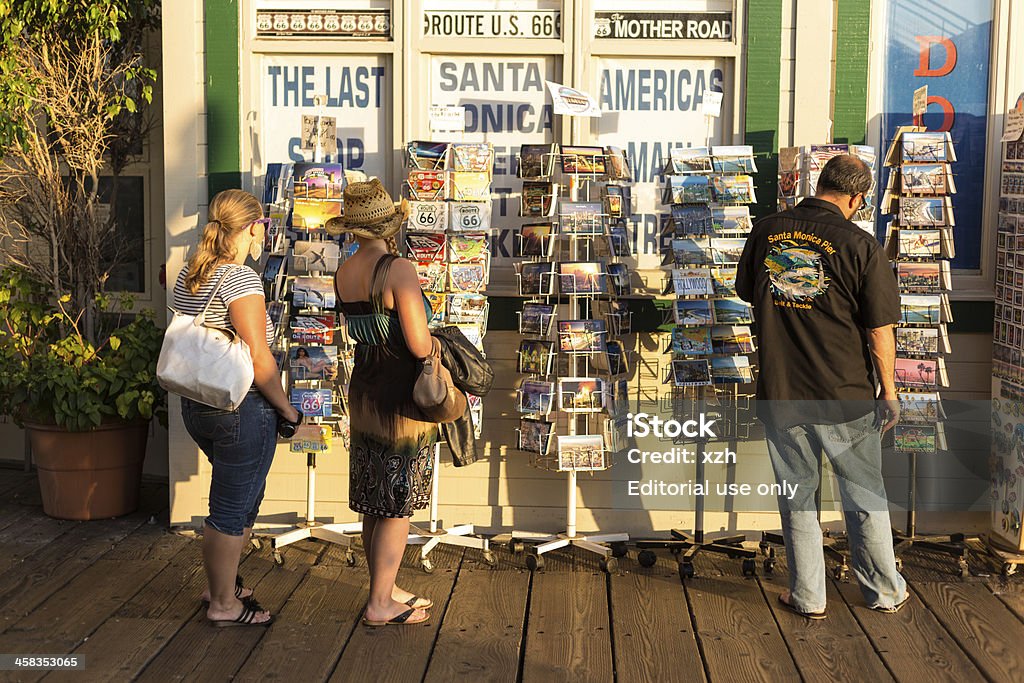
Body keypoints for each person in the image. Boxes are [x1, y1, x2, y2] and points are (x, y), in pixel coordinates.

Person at [736, 154, 908, 619]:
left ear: (819, 183)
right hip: (845, 395)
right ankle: (884, 591)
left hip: (782, 390)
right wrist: (889, 391)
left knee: (797, 497)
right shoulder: (861, 245)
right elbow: (878, 331)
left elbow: (748, 290)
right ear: (856, 198)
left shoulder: (768, 229)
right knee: (864, 496)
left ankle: (809, 596)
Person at [174, 189, 301, 628]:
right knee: (230, 506)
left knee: (243, 495)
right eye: (263, 224)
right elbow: (260, 357)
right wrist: (288, 410)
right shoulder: (240, 278)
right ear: (253, 227)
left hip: (197, 404)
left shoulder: (193, 271)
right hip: (238, 407)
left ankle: (222, 584)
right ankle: (223, 603)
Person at [327, 179, 436, 627]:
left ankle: (384, 589)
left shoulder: (343, 271)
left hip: (364, 387)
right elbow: (418, 343)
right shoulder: (398, 270)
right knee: (397, 501)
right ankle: (379, 605)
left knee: (375, 495)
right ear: (389, 225)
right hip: (399, 396)